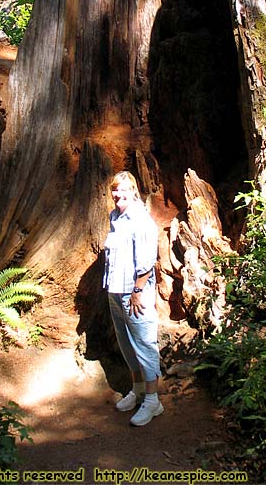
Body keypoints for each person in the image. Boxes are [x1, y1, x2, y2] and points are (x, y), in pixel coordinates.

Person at [103, 170, 163, 426]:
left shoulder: (141, 220)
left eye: (123, 190)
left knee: (145, 343)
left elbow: (148, 261)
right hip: (115, 291)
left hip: (134, 293)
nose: (118, 195)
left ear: (134, 191)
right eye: (115, 190)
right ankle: (137, 390)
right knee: (127, 343)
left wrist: (138, 291)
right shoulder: (115, 217)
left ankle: (153, 400)